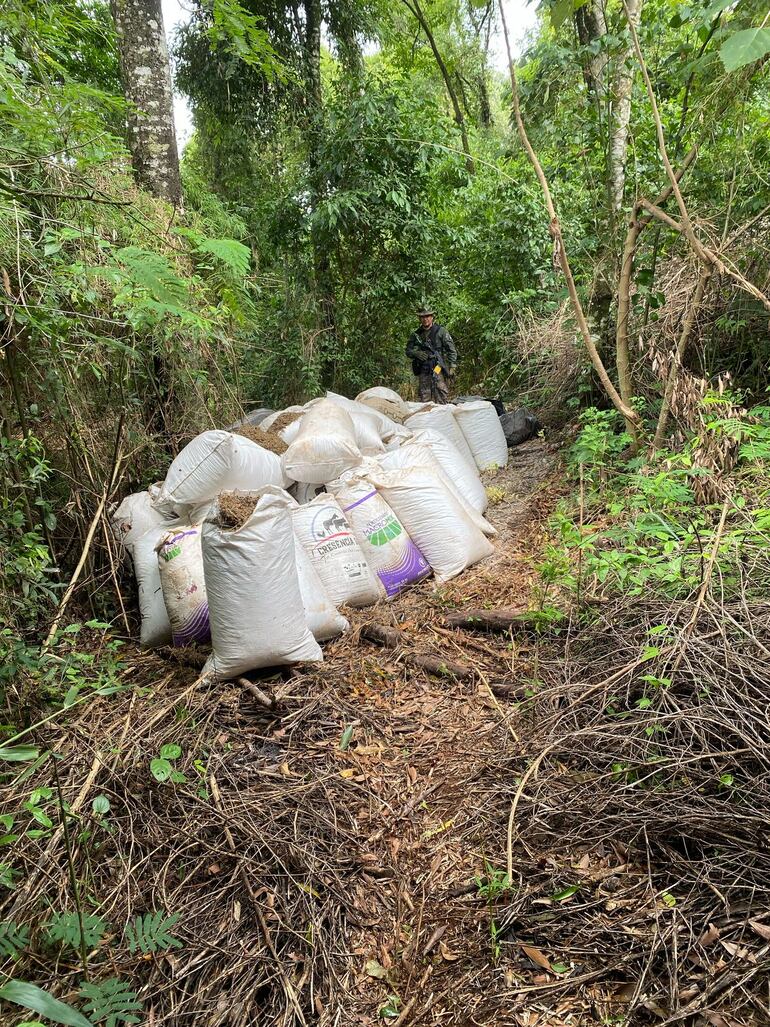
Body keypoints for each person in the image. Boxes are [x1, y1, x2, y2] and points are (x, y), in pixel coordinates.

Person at [405, 308, 457, 404]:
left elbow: (451, 350)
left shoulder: (441, 331)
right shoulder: (416, 334)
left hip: (437, 367)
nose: (425, 319)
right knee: (424, 396)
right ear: (419, 319)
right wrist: (416, 353)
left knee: (441, 391)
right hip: (424, 368)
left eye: (427, 316)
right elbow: (408, 351)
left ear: (432, 317)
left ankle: (443, 414)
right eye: (422, 317)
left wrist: (452, 366)